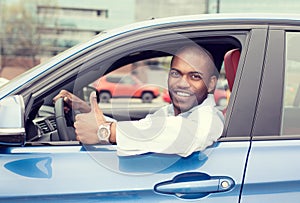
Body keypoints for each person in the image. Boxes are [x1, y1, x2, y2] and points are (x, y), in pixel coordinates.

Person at [53, 45, 224, 157]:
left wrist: (104, 132)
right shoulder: (168, 112)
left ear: (211, 84)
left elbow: (178, 134)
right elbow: (144, 129)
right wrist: (86, 110)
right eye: (175, 73)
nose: (181, 83)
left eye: (194, 76)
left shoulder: (211, 119)